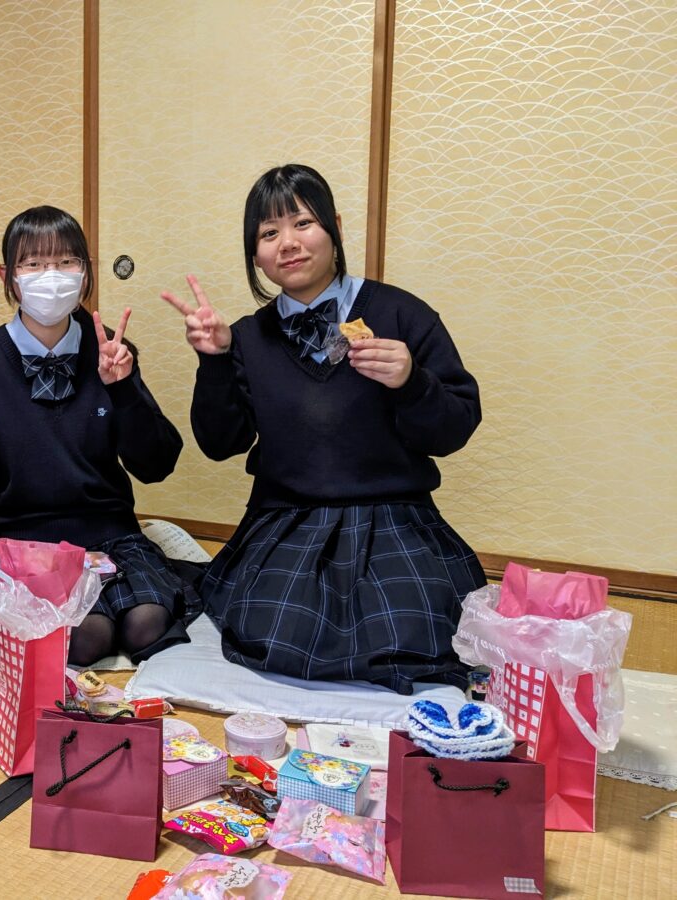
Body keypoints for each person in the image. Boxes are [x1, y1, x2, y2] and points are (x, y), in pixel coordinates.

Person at [161, 164, 484, 694]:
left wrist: (412, 382)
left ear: (334, 228)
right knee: (276, 638)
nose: (287, 243)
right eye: (269, 233)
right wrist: (215, 360)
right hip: (287, 521)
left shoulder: (402, 314)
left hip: (393, 519)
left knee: (416, 633)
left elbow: (454, 430)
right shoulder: (248, 337)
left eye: (303, 223)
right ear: (255, 254)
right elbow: (220, 444)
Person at [0, 205, 200, 666]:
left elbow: (157, 464)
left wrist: (123, 389)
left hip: (110, 535)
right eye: (33, 264)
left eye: (66, 262)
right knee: (86, 637)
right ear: (7, 276)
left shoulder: (110, 352)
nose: (51, 276)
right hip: (26, 546)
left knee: (147, 623)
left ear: (84, 273)